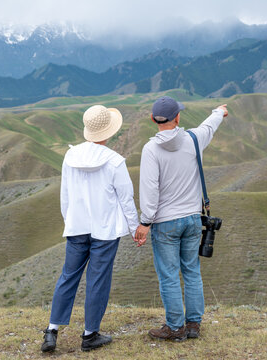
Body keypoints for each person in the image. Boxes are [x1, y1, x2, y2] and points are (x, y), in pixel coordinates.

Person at [41, 105, 140, 353]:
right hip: (104, 230)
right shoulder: (115, 161)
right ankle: (89, 335)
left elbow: (65, 195)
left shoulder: (70, 157)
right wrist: (134, 228)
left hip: (77, 226)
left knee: (68, 276)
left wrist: (70, 220)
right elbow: (126, 198)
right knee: (98, 280)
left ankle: (52, 331)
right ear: (109, 131)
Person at [135, 96, 228, 341]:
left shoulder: (151, 149)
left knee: (169, 275)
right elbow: (210, 125)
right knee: (191, 271)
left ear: (153, 119)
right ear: (178, 117)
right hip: (192, 219)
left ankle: (175, 328)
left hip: (165, 222)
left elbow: (150, 189)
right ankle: (193, 325)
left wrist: (145, 222)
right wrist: (219, 111)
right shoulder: (194, 140)